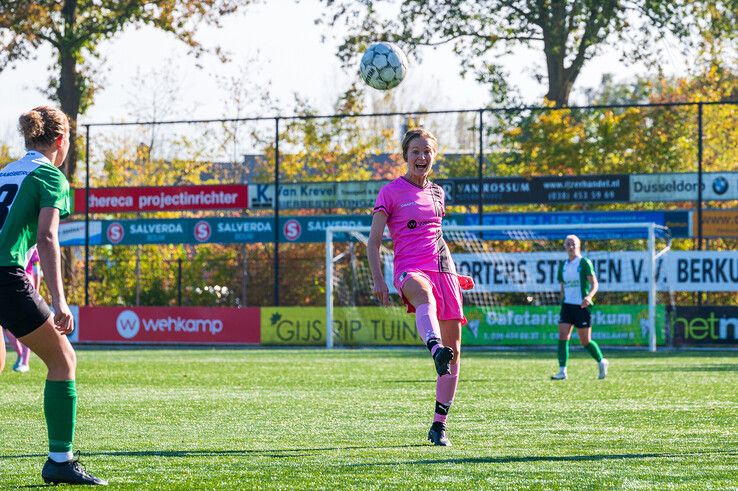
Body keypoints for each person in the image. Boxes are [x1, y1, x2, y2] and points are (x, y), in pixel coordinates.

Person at [0, 106, 107, 485]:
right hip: (6, 277)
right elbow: (47, 237)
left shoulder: (5, 172)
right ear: (60, 142)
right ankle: (60, 461)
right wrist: (61, 301)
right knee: (63, 360)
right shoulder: (50, 175)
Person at [368, 128, 473, 447]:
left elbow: (438, 237)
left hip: (443, 270)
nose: (421, 157)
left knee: (455, 352)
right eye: (415, 151)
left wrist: (454, 275)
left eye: (427, 151)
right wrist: (379, 279)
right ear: (406, 156)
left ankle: (439, 426)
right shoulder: (390, 192)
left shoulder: (439, 194)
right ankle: (433, 347)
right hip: (409, 269)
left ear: (434, 156)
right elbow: (373, 242)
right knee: (423, 295)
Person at [551, 234, 609, 381]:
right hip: (567, 305)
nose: (570, 247)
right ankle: (562, 371)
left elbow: (594, 284)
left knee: (585, 341)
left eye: (573, 244)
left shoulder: (584, 263)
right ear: (564, 246)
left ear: (578, 246)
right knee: (563, 336)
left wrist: (589, 297)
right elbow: (563, 286)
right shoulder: (562, 265)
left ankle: (601, 361)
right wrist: (562, 301)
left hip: (581, 306)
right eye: (568, 244)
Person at [2, 247, 40, 373]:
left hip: (25, 283)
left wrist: (37, 290)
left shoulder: (31, 243)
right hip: (8, 284)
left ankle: (25, 361)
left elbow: (36, 269)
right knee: (7, 326)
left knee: (27, 326)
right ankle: (20, 354)